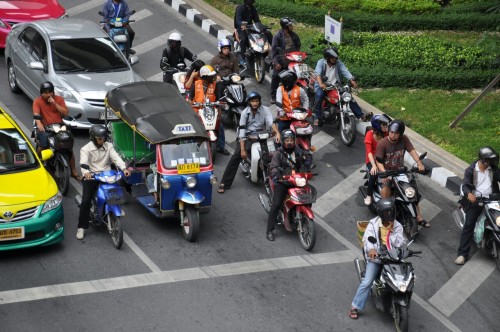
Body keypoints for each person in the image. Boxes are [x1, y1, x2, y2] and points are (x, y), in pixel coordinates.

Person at [349, 198, 406, 319]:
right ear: (381, 213)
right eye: (386, 212)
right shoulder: (373, 224)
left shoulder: (398, 226)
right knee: (367, 282)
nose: (389, 215)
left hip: (393, 257)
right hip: (378, 258)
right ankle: (355, 306)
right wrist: (372, 250)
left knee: (404, 278)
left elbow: (400, 243)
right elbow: (368, 239)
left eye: (391, 212)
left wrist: (392, 233)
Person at [217, 91, 280, 194]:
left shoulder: (266, 110)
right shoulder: (244, 113)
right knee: (236, 157)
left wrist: (278, 133)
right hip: (248, 137)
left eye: (256, 101)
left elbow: (270, 122)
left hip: (262, 135)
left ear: (259, 101)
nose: (255, 103)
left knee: (275, 153)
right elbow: (242, 131)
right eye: (253, 101)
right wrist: (242, 149)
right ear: (249, 102)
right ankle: (224, 182)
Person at [78, 125, 131, 240]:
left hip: (107, 175)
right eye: (99, 138)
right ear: (93, 138)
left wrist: (124, 169)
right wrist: (86, 172)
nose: (102, 140)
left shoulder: (109, 146)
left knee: (115, 190)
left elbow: (116, 158)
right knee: (86, 201)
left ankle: (113, 208)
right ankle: (81, 227)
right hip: (92, 176)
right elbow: (83, 163)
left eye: (103, 138)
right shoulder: (85, 149)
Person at [374, 120, 429, 228]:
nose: (393, 135)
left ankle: (418, 216)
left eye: (396, 133)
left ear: (400, 133)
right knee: (386, 190)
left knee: (412, 190)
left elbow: (412, 150)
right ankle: (386, 217)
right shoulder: (382, 143)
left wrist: (419, 163)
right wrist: (384, 172)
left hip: (400, 171)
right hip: (386, 171)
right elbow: (378, 161)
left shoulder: (404, 139)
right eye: (391, 132)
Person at [455, 146, 500, 265]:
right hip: (476, 201)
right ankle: (462, 254)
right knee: (469, 224)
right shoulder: (471, 170)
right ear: (483, 160)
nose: (492, 163)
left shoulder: (493, 168)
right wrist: (469, 194)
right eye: (489, 160)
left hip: (492, 200)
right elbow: (465, 185)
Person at [266, 129, 312, 241]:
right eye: (287, 140)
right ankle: (269, 230)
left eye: (291, 139)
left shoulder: (298, 150)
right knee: (276, 204)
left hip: (296, 180)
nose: (290, 142)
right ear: (283, 141)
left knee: (307, 197)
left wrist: (306, 159)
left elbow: (308, 159)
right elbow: (273, 168)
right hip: (283, 182)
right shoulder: (278, 153)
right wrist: (279, 174)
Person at [33, 81, 81, 181]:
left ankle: (73, 171)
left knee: (68, 147)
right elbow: (37, 115)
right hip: (45, 127)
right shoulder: (37, 101)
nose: (48, 94)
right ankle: (37, 161)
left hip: (59, 126)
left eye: (50, 91)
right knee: (43, 144)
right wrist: (40, 124)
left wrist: (55, 104)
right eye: (46, 92)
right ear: (42, 93)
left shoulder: (59, 99)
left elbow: (65, 112)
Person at [313, 47, 370, 126]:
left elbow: (346, 72)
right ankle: (317, 116)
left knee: (347, 97)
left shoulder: (338, 63)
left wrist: (352, 81)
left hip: (334, 86)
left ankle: (361, 115)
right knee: (319, 95)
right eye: (333, 58)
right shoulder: (321, 62)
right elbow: (317, 73)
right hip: (323, 86)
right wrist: (321, 84)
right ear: (327, 58)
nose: (335, 59)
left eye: (336, 57)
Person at [188, 65, 229, 155]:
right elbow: (190, 98)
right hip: (197, 110)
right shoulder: (196, 84)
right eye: (211, 76)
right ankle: (194, 146)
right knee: (194, 128)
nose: (213, 77)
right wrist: (190, 104)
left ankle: (221, 147)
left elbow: (217, 99)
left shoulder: (215, 85)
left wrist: (219, 112)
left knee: (220, 127)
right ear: (205, 77)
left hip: (211, 110)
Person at [270, 17, 301, 104]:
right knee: (276, 76)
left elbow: (298, 46)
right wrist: (276, 63)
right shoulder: (277, 36)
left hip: (292, 59)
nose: (292, 27)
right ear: (285, 27)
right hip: (281, 58)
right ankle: (273, 95)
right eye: (290, 25)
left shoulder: (294, 35)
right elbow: (274, 51)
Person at [363, 114, 390, 205]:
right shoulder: (369, 134)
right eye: (384, 125)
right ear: (377, 125)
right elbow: (369, 152)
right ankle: (369, 195)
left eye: (386, 125)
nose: (386, 127)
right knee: (374, 174)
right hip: (371, 161)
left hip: (383, 159)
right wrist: (374, 166)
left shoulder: (387, 134)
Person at [233, 0, 260, 67]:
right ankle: (242, 58)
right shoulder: (240, 8)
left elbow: (257, 20)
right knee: (244, 39)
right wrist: (242, 25)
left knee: (259, 36)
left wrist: (261, 26)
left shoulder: (253, 9)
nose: (250, 1)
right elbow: (238, 20)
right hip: (241, 28)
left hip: (249, 27)